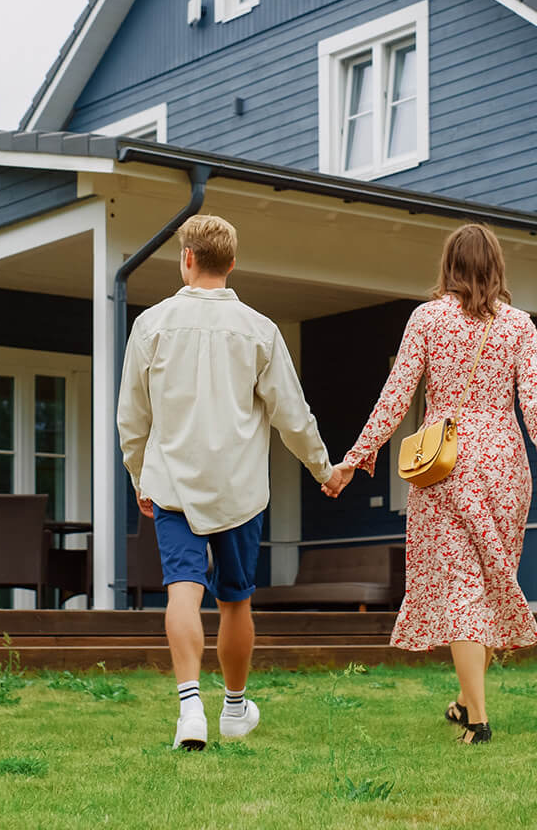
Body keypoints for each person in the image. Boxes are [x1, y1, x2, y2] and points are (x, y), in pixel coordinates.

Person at [323, 223, 537, 745]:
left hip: (445, 462)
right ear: (496, 266)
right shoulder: (520, 325)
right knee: (487, 586)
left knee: (463, 589)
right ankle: (465, 702)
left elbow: (396, 395)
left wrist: (354, 459)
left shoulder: (428, 319)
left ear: (450, 265)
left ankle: (478, 722)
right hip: (505, 463)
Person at [118, 214, 333, 750]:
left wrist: (139, 474)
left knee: (183, 592)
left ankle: (190, 709)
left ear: (186, 258)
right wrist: (324, 470)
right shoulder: (260, 330)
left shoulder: (152, 326)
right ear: (232, 264)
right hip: (239, 491)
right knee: (236, 601)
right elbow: (293, 415)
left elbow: (132, 418)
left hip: (173, 486)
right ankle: (234, 710)